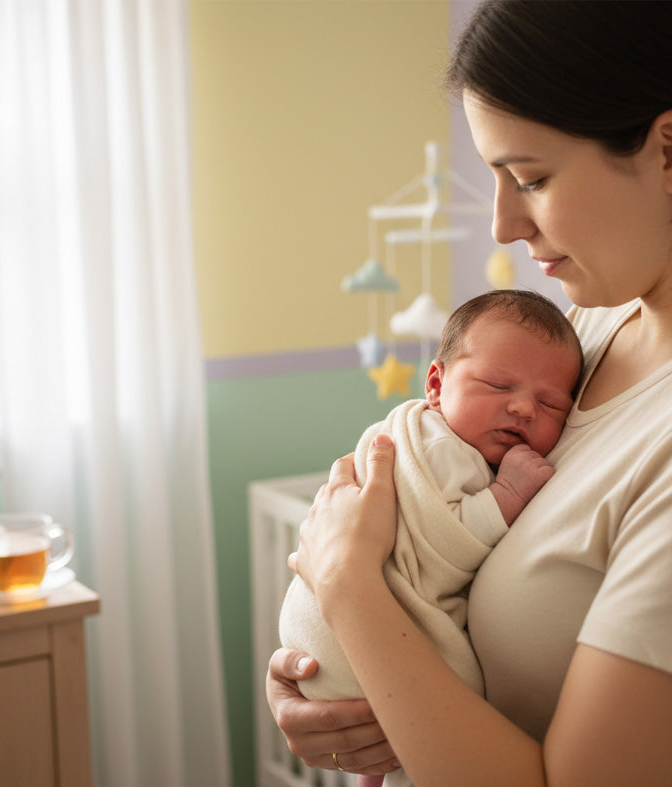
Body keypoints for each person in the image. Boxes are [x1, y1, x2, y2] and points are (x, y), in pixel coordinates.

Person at [265, 2, 672, 785]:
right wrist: (328, 681)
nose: (501, 224)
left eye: (531, 178)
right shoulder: (586, 325)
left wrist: (350, 588)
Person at [279, 289, 581, 707]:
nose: (525, 408)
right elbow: (441, 542)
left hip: (334, 640)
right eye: (497, 384)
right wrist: (507, 493)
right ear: (436, 385)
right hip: (346, 643)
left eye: (550, 404)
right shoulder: (440, 449)